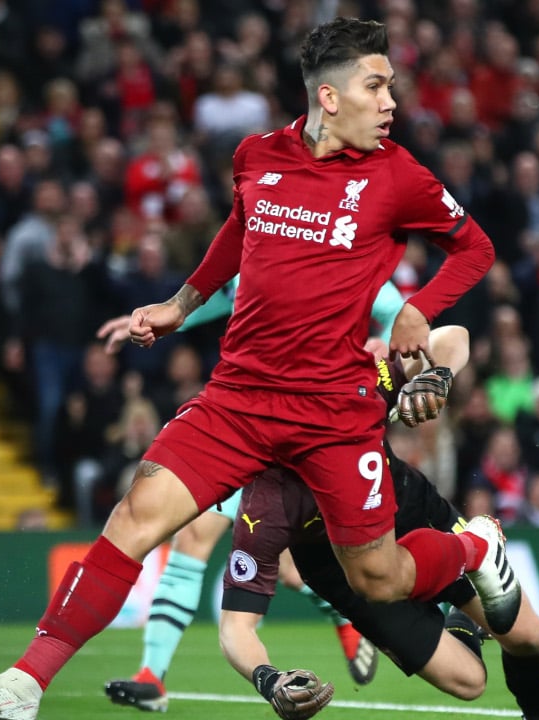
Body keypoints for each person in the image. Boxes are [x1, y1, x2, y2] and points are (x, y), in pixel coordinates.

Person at [0, 19, 513, 720]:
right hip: (239, 397)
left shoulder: (398, 175)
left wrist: (418, 309)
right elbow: (238, 233)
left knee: (379, 578)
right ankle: (25, 684)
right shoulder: (256, 157)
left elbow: (475, 249)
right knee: (136, 515)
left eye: (390, 86)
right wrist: (180, 305)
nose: (391, 102)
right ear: (329, 98)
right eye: (376, 86)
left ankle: (474, 547)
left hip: (332, 411)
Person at [95, 279, 406, 711]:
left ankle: (346, 613)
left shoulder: (338, 252)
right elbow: (209, 298)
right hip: (242, 419)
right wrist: (161, 317)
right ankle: (153, 675)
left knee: (290, 567)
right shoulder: (248, 253)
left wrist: (383, 344)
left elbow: (396, 310)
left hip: (306, 425)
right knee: (194, 537)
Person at [218, 341, 539, 720]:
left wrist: (437, 376)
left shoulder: (353, 384)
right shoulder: (263, 507)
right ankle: (462, 614)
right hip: (349, 578)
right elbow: (234, 626)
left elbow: (453, 338)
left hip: (409, 513)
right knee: (469, 682)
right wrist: (268, 679)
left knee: (527, 639)